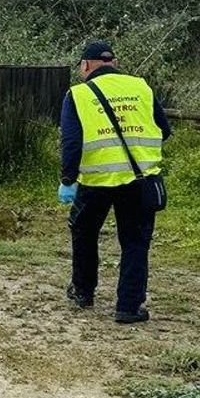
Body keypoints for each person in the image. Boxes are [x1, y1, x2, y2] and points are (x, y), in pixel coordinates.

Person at [57, 40, 172, 324]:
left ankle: (83, 292)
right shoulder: (141, 88)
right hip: (139, 179)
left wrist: (68, 179)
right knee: (135, 242)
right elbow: (164, 130)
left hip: (96, 181)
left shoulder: (78, 94)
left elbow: (71, 143)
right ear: (114, 63)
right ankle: (129, 307)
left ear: (85, 66)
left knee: (84, 233)